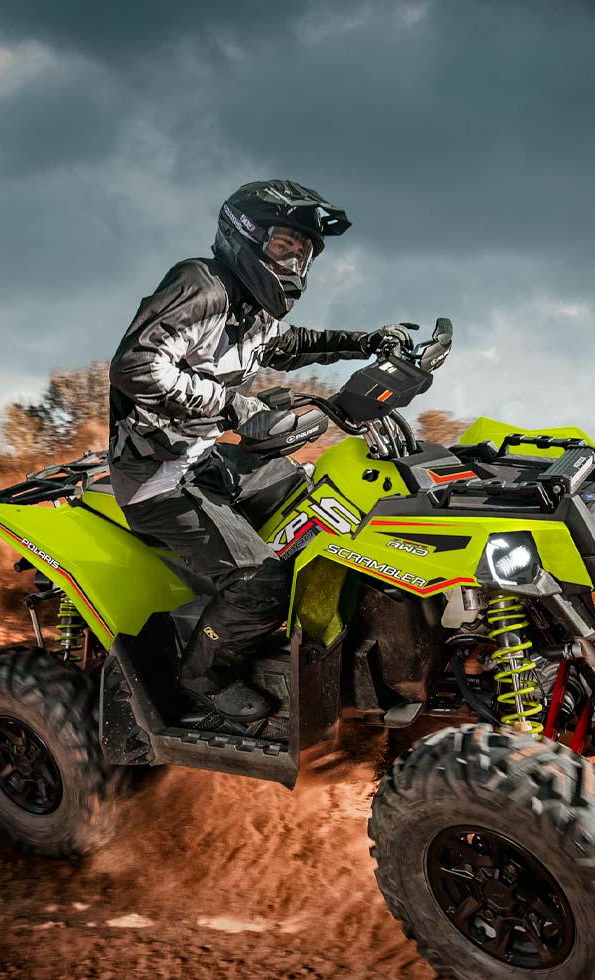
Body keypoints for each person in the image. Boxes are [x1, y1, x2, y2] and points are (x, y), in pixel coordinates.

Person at [106, 179, 413, 724]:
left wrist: (367, 342)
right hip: (157, 475)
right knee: (260, 581)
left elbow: (291, 345)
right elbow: (136, 365)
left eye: (303, 254)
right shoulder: (202, 285)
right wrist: (229, 405)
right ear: (245, 235)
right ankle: (202, 676)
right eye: (284, 246)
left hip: (207, 460)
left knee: (322, 505)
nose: (294, 264)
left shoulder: (251, 307)